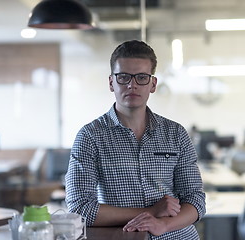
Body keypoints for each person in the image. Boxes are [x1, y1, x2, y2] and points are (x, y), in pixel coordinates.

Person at [65, 40, 206, 239]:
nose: (132, 85)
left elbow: (195, 200)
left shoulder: (176, 134)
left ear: (153, 84)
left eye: (141, 77)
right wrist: (151, 211)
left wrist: (163, 225)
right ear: (111, 82)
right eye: (123, 77)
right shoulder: (90, 137)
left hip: (176, 235)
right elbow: (80, 208)